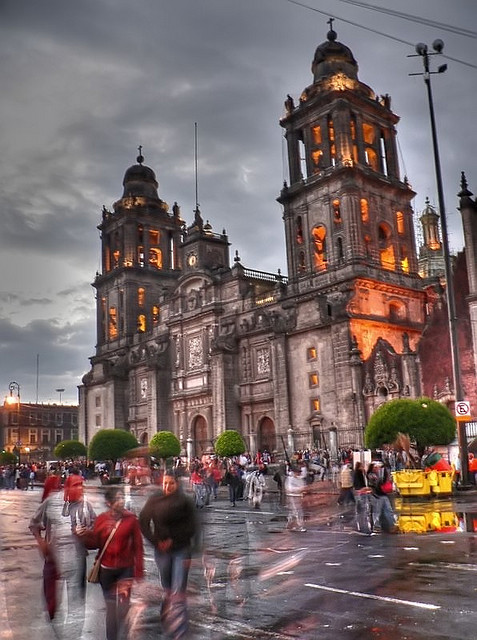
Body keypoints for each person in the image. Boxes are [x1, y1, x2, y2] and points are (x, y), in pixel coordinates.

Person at [29, 476, 96, 639]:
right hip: (53, 559)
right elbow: (34, 524)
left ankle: (74, 635)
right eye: (76, 485)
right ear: (66, 488)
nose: (80, 488)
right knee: (51, 603)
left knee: (76, 603)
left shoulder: (86, 506)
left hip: (77, 558)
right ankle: (57, 629)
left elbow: (95, 528)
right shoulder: (51, 503)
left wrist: (87, 533)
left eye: (82, 485)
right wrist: (41, 542)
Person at [139, 471, 198, 640]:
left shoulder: (185, 502)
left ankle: (180, 631)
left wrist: (174, 539)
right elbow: (143, 521)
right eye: (165, 483)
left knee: (179, 590)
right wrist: (156, 541)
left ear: (177, 484)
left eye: (171, 483)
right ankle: (166, 614)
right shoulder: (155, 500)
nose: (167, 486)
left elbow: (192, 527)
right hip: (162, 551)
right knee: (168, 588)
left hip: (181, 549)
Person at [79, 486, 143, 640]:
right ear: (109, 503)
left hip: (125, 570)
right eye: (117, 499)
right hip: (106, 571)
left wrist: (139, 572)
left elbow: (138, 547)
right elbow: (95, 544)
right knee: (111, 610)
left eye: (122, 498)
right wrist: (84, 536)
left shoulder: (132, 520)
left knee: (123, 609)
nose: (121, 501)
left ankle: (125, 634)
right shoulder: (101, 519)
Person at [366, 463, 396, 533]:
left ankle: (392, 525)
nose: (377, 469)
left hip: (383, 494)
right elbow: (378, 483)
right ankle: (376, 527)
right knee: (377, 512)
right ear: (372, 468)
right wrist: (382, 474)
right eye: (375, 467)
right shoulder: (371, 475)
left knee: (388, 510)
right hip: (376, 495)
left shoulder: (379, 474)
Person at [285, 466, 307, 532]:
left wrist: (303, 490)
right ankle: (300, 526)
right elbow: (289, 488)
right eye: (297, 472)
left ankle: (290, 525)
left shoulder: (300, 479)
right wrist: (299, 489)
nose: (299, 474)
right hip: (292, 496)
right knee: (296, 511)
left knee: (295, 511)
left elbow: (303, 486)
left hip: (298, 496)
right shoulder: (290, 479)